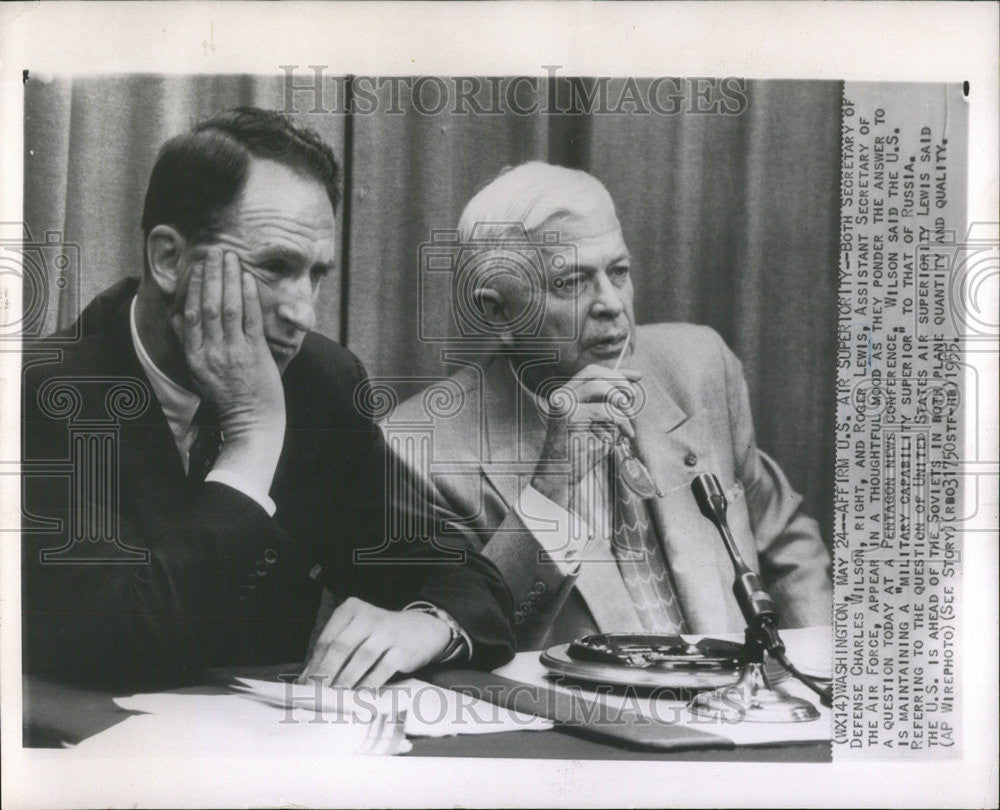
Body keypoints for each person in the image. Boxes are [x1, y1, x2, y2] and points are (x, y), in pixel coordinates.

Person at [21, 108, 513, 690]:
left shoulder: (323, 383)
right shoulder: (38, 395)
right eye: (274, 267)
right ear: (169, 259)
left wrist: (428, 625)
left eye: (315, 275)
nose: (303, 312)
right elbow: (121, 645)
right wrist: (254, 435)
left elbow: (461, 575)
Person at [384, 161, 832, 651]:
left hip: (741, 706)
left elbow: (785, 538)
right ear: (498, 312)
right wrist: (549, 486)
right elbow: (473, 640)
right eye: (571, 283)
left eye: (618, 272)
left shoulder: (699, 366)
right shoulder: (419, 452)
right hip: (587, 718)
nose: (612, 304)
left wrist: (819, 665)